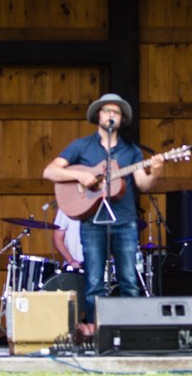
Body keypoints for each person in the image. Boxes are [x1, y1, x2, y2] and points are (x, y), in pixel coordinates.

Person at [42, 93, 163, 337]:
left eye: (116, 112)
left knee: (129, 278)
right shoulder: (81, 146)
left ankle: (132, 334)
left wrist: (157, 171)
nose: (111, 115)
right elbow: (50, 171)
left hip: (125, 222)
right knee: (94, 280)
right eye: (107, 111)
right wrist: (79, 176)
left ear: (121, 119)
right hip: (93, 221)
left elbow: (144, 184)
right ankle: (98, 335)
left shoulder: (132, 151)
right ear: (98, 115)